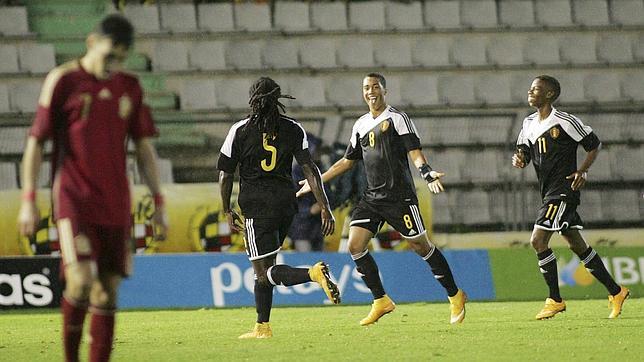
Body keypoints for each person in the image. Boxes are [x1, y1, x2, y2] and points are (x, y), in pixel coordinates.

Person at [17, 14, 168, 362]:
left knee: (107, 292)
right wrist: (29, 199)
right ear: (90, 43)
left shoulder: (129, 87)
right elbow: (36, 143)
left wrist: (158, 201)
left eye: (120, 58)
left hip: (115, 202)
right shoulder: (63, 80)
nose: (112, 65)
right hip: (74, 198)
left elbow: (144, 147)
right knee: (82, 280)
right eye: (108, 55)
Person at [297, 73, 467, 325]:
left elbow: (415, 152)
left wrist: (426, 172)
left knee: (421, 247)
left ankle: (455, 295)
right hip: (373, 197)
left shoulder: (398, 119)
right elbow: (347, 160)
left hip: (400, 198)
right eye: (366, 87)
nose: (371, 91)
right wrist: (318, 180)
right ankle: (381, 300)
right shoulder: (360, 124)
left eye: (375, 86)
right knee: (355, 245)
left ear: (384, 91)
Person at [218, 77, 340, 339]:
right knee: (267, 269)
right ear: (278, 99)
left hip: (256, 208)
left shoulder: (239, 130)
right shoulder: (293, 128)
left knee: (262, 273)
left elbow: (225, 175)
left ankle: (313, 273)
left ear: (252, 100)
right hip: (286, 206)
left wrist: (226, 210)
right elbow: (310, 169)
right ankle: (263, 327)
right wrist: (325, 206)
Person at [512, 75, 629, 320]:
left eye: (536, 89)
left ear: (550, 95)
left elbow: (594, 144)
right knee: (577, 245)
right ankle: (616, 291)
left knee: (538, 240)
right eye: (531, 88)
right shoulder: (528, 123)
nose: (530, 92)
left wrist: (583, 170)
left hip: (563, 191)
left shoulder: (564, 121)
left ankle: (555, 299)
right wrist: (519, 159)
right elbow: (522, 151)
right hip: (548, 192)